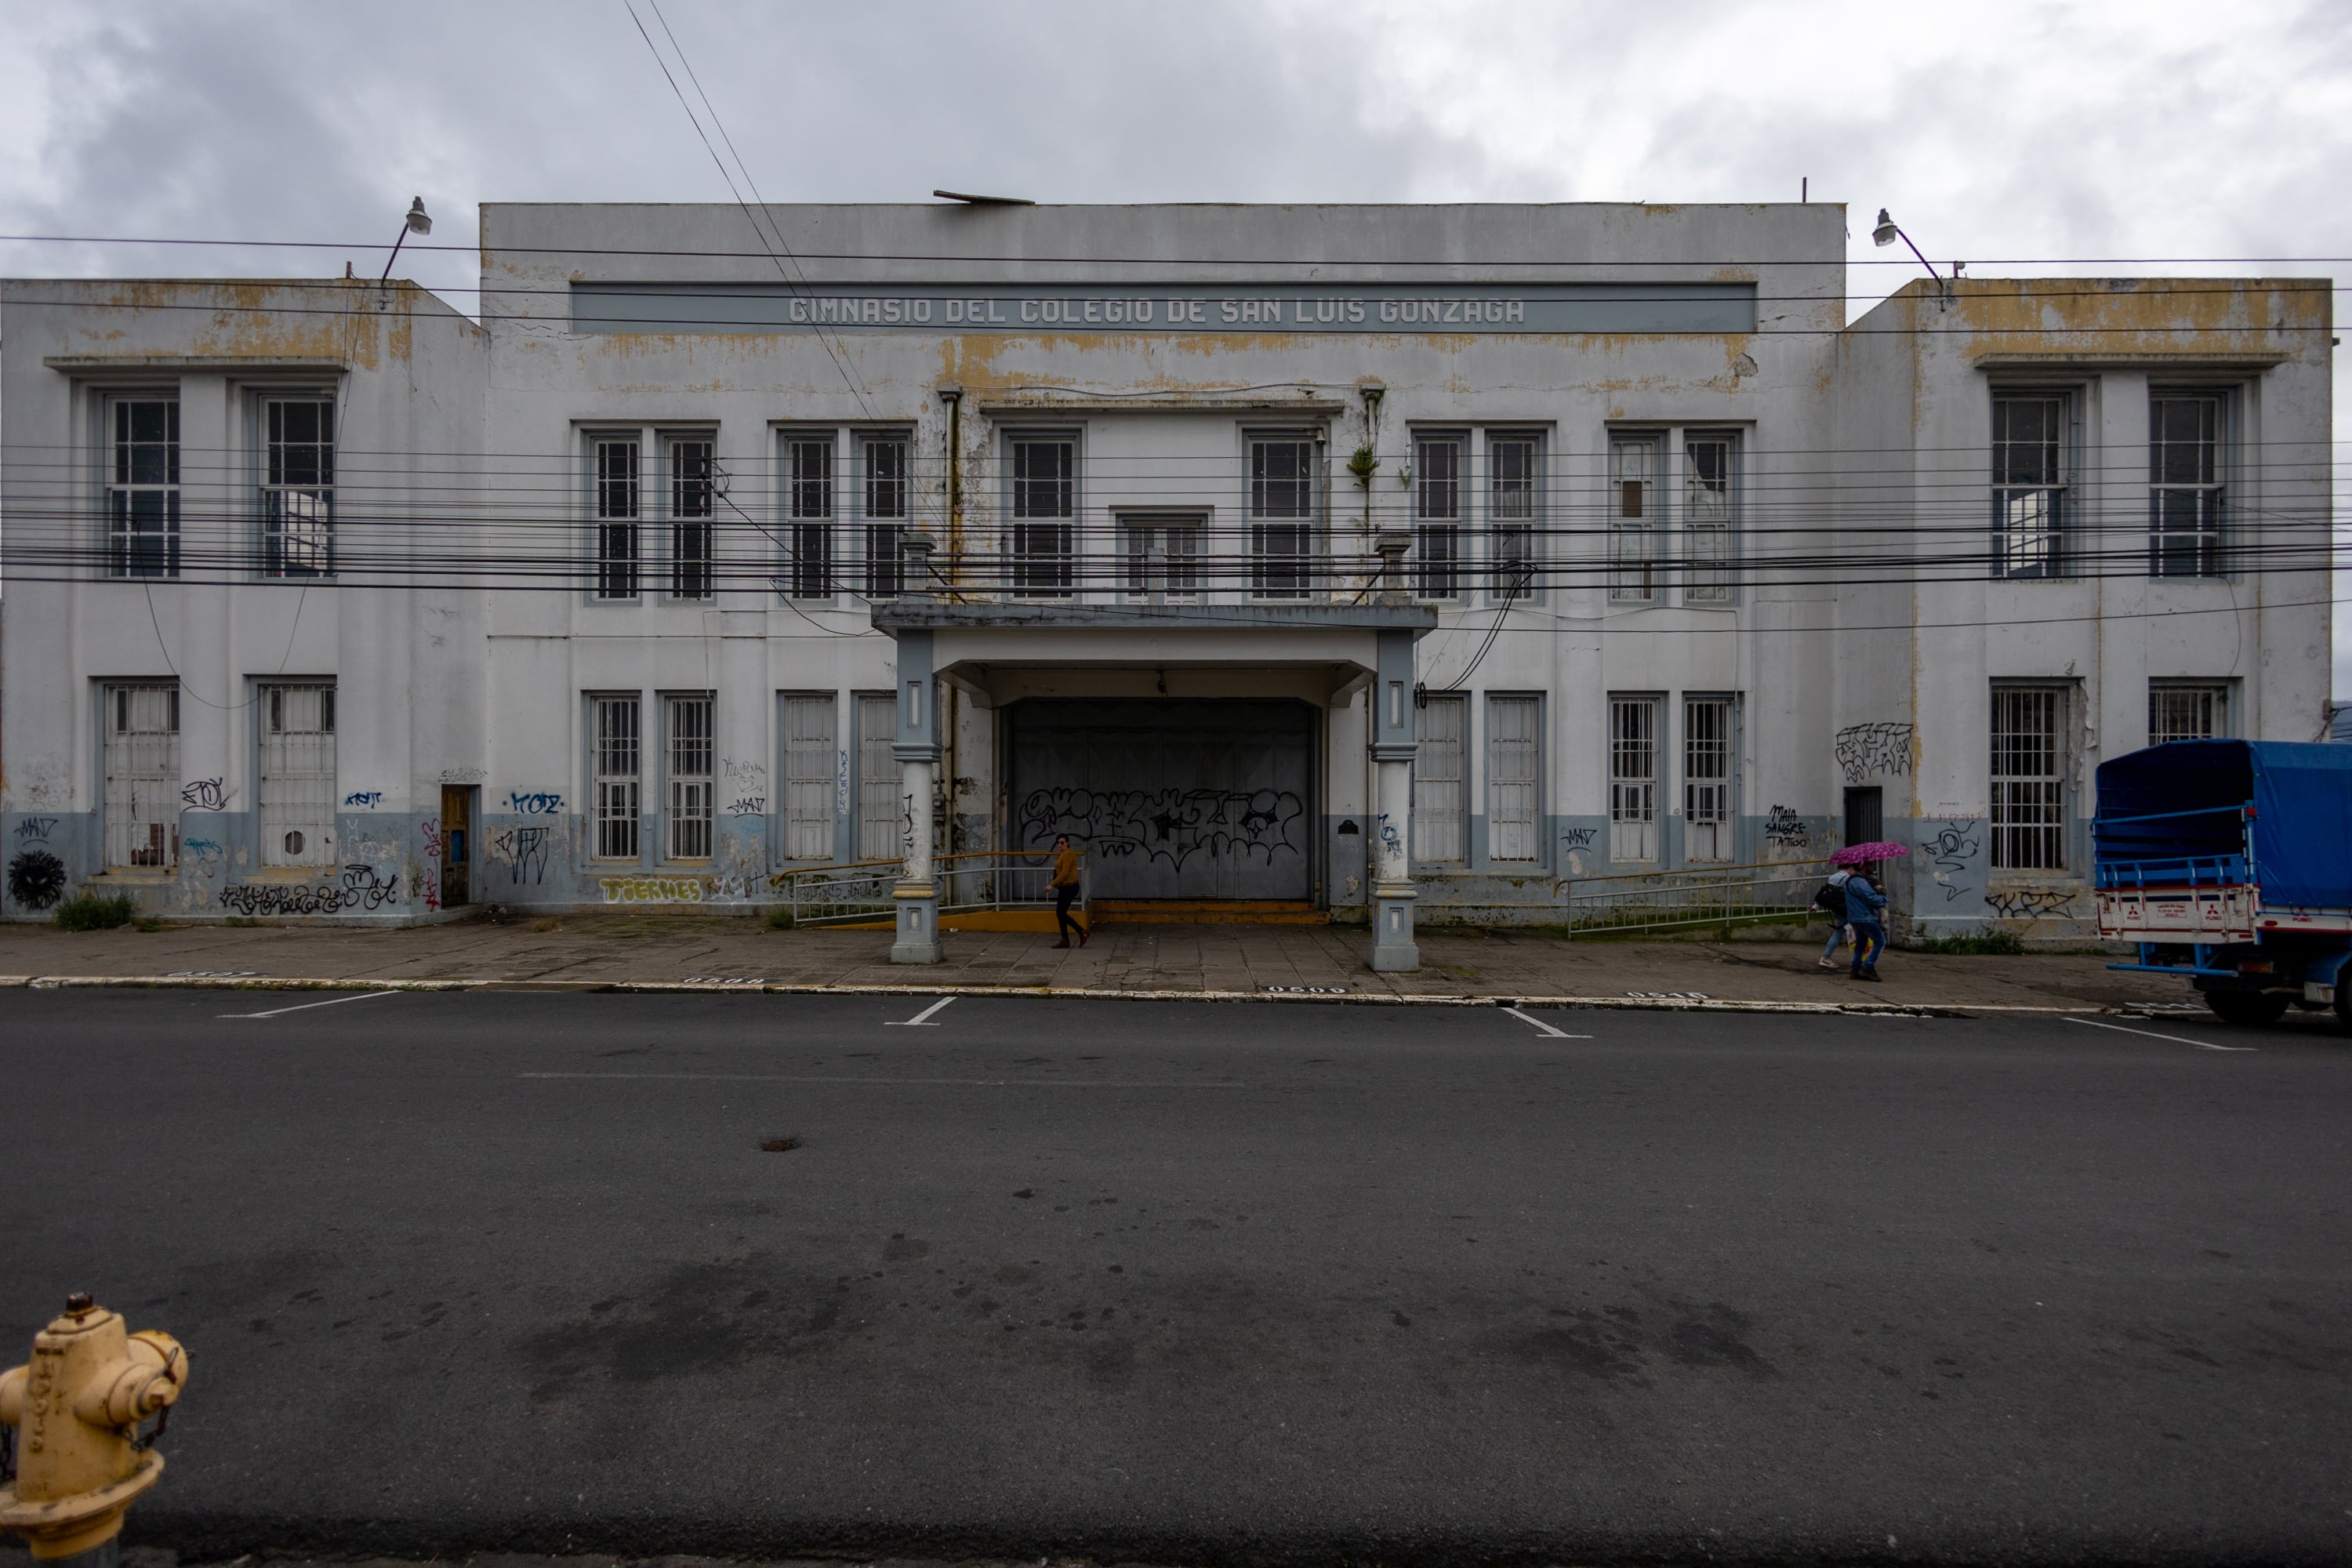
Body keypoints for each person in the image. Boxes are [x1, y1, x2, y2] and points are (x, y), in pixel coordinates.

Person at [1843, 864, 1887, 982]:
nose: (1871, 867)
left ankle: (1855, 970)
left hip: (1856, 917)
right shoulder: (1859, 881)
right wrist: (1883, 895)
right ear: (1862, 866)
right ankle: (1867, 967)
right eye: (1869, 864)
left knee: (1861, 944)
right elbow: (1871, 898)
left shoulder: (1853, 880)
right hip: (1865, 917)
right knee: (1880, 941)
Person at [1048, 833, 1087, 949]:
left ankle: (1082, 931)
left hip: (1071, 887)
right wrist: (1054, 876)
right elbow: (1058, 869)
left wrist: (1052, 884)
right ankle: (1065, 939)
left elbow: (1065, 873)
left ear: (1067, 843)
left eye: (1062, 843)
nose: (1060, 845)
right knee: (1060, 913)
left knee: (1061, 913)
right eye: (1058, 843)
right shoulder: (1062, 854)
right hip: (1064, 887)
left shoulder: (1069, 854)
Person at [1816, 866, 1855, 970]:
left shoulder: (1832, 877)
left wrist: (1815, 906)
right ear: (1849, 868)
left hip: (1837, 908)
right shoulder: (1848, 879)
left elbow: (1826, 892)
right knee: (1851, 933)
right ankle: (1826, 957)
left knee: (1839, 932)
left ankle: (1826, 957)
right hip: (1846, 909)